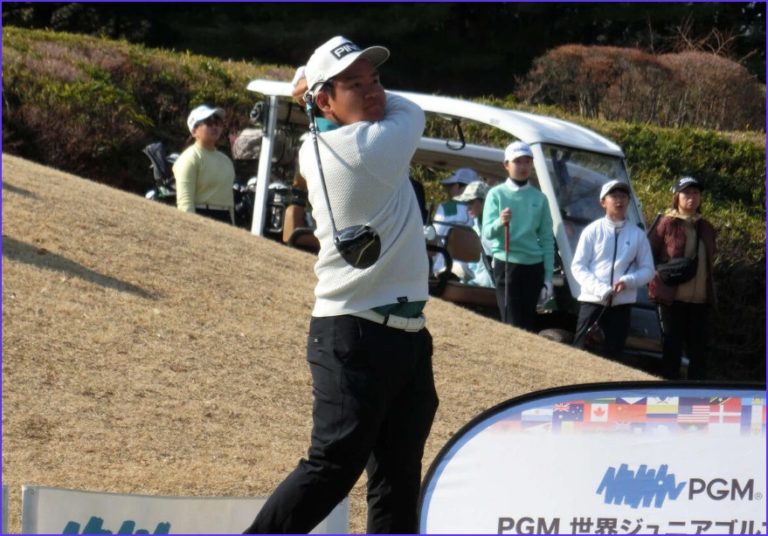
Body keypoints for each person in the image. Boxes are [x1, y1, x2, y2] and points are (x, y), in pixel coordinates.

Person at [243, 36, 438, 535]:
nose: (374, 92)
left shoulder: (320, 143)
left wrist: (312, 89)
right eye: (354, 84)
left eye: (375, 80)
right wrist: (306, 87)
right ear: (324, 101)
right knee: (333, 465)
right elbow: (412, 109)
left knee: (397, 478)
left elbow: (367, 104)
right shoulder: (369, 147)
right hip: (355, 334)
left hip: (402, 335)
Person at [571, 180, 654, 358]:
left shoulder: (638, 235)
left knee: (613, 356)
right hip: (592, 302)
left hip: (622, 305)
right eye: (614, 196)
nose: (619, 200)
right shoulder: (592, 231)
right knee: (581, 352)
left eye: (623, 196)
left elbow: (648, 270)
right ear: (603, 202)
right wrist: (601, 289)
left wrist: (628, 281)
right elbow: (578, 266)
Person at [648, 176, 717, 379]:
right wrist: (659, 277)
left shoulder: (706, 227)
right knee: (672, 348)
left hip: (700, 300)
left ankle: (697, 391)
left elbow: (711, 259)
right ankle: (669, 389)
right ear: (676, 196)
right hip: (672, 298)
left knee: (699, 351)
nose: (692, 197)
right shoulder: (666, 222)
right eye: (686, 193)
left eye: (696, 193)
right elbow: (648, 254)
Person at [482, 141, 554, 331]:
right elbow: (487, 232)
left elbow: (547, 239)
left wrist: (548, 278)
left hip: (534, 266)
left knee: (527, 325)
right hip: (507, 263)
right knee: (511, 323)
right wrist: (500, 222)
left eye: (527, 161)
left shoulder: (540, 198)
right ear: (506, 165)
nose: (523, 166)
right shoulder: (496, 194)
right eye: (518, 161)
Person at [172, 105, 236, 224]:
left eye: (218, 122)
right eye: (208, 122)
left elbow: (229, 203)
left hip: (225, 218)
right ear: (194, 131)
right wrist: (191, 227)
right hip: (201, 215)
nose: (215, 127)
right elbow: (185, 202)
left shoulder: (226, 161)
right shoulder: (189, 158)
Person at [431, 168, 477, 276]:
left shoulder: (446, 208)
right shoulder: (479, 211)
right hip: (472, 271)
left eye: (450, 186)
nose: (448, 190)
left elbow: (434, 236)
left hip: (443, 268)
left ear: (457, 187)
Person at [453, 180, 494, 287]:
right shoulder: (475, 228)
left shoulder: (496, 228)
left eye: (471, 202)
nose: (467, 207)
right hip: (477, 282)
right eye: (466, 203)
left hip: (491, 286)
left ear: (484, 202)